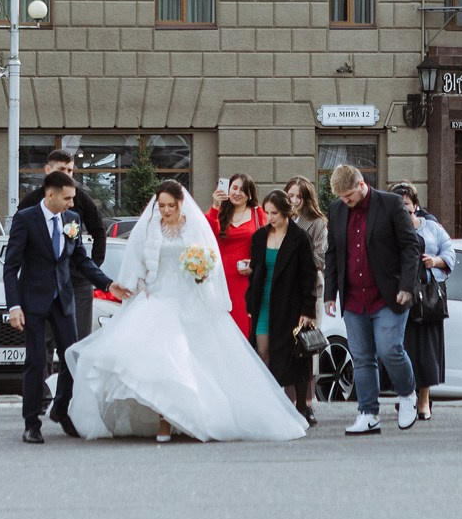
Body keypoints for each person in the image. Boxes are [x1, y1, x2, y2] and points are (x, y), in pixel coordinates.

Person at [64, 182, 307, 443]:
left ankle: (183, 416)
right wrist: (138, 284)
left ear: (181, 203)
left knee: (193, 359)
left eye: (171, 205)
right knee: (158, 359)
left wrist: (201, 272)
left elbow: (208, 259)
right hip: (156, 298)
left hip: (188, 297)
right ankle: (162, 417)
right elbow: (136, 261)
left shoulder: (193, 225)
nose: (166, 211)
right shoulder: (149, 226)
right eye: (162, 206)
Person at [4, 170, 121, 444]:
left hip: (64, 301)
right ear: (50, 195)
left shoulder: (72, 220)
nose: (71, 203)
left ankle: (61, 408)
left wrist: (107, 284)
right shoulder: (25, 219)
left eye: (73, 199)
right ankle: (31, 423)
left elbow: (81, 259)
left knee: (72, 359)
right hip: (33, 302)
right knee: (35, 362)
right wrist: (14, 306)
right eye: (67, 198)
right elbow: (11, 268)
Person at [323, 165, 421, 435]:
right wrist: (330, 293)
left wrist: (407, 286)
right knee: (362, 357)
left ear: (361, 184)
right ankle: (368, 413)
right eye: (341, 197)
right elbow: (333, 253)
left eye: (348, 196)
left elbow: (410, 247)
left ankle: (407, 395)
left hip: (389, 295)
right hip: (354, 297)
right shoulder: (336, 210)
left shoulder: (390, 204)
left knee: (390, 349)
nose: (345, 201)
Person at [17, 148, 110, 340]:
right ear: (48, 170)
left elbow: (99, 231)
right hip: (43, 284)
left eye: (70, 170)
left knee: (78, 341)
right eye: (62, 169)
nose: (67, 174)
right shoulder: (30, 203)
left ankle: (72, 372)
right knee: (43, 344)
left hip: (77, 283)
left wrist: (93, 266)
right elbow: (19, 247)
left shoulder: (80, 200)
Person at [247, 191, 319, 420]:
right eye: (267, 213)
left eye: (275, 213)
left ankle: (301, 406)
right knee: (263, 351)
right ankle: (270, 405)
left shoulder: (299, 238)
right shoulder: (259, 237)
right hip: (264, 302)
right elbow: (255, 272)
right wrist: (251, 300)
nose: (270, 218)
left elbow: (309, 277)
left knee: (294, 355)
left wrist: (308, 310)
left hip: (291, 304)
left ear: (286, 212)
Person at [394, 182, 454, 420]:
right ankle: (405, 397)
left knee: (427, 351)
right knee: (403, 349)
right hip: (402, 296)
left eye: (407, 205)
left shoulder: (431, 227)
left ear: (415, 206)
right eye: (399, 206)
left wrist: (436, 261)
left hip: (428, 297)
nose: (404, 211)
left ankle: (424, 400)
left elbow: (450, 250)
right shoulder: (391, 230)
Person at [285, 176, 329, 408]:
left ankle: (308, 401)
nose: (293, 201)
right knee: (287, 346)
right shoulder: (281, 219)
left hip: (310, 288)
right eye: (290, 196)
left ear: (306, 198)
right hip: (285, 290)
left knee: (307, 344)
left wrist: (293, 258)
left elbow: (320, 258)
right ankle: (289, 400)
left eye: (298, 196)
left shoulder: (317, 222)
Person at [209, 173, 261, 337]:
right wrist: (215, 206)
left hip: (245, 279)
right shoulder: (220, 212)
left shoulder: (258, 214)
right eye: (234, 188)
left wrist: (255, 265)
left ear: (250, 194)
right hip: (220, 279)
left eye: (243, 190)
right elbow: (207, 237)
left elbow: (268, 244)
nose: (237, 193)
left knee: (244, 328)